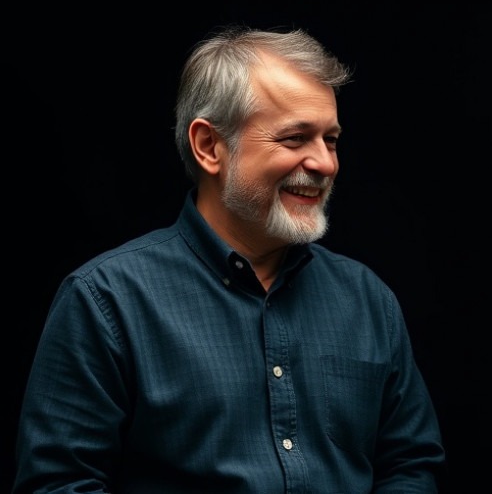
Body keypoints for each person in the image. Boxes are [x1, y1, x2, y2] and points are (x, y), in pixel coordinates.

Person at [14, 25, 445, 493]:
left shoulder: (367, 300)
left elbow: (410, 465)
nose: (325, 163)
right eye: (295, 138)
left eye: (332, 139)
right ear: (209, 147)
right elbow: (58, 485)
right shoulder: (106, 302)